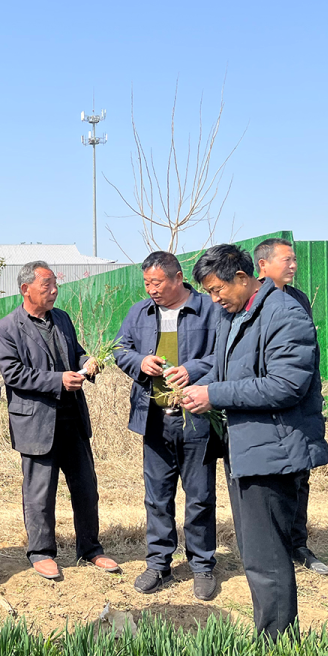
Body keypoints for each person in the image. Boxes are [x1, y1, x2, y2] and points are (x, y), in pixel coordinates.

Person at [182, 244, 328, 639]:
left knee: (268, 559)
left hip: (273, 452)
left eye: (217, 290)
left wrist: (215, 395)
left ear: (243, 279)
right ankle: (273, 637)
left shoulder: (284, 314)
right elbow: (224, 367)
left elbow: (286, 385)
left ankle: (278, 648)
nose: (214, 299)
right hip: (246, 448)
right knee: (254, 552)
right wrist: (198, 383)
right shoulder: (237, 314)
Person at [0, 261, 120, 580]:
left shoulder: (61, 318)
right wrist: (58, 380)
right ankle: (41, 552)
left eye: (55, 285)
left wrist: (87, 361)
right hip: (36, 422)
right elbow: (14, 374)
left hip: (72, 418)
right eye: (46, 285)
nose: (54, 291)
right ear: (26, 289)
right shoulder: (6, 328)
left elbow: (74, 352)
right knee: (40, 493)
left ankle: (90, 548)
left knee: (86, 488)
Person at [114, 252, 220, 600]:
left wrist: (195, 370)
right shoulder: (139, 312)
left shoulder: (209, 309)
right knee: (157, 497)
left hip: (196, 417)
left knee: (200, 496)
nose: (151, 290)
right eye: (146, 283)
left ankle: (202, 565)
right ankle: (158, 563)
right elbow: (119, 349)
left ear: (178, 278)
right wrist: (139, 361)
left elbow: (225, 354)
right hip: (154, 417)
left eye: (156, 282)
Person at [255, 238, 328, 577]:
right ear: (263, 265)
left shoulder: (298, 299)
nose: (293, 265)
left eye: (294, 260)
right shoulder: (251, 300)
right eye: (286, 260)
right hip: (265, 403)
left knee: (301, 475)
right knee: (270, 483)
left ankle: (298, 544)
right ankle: (271, 550)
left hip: (301, 404)